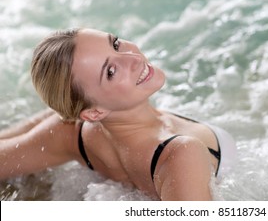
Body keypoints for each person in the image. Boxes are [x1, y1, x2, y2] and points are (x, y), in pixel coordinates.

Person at [0, 28, 237, 201]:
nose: (133, 58)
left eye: (115, 44)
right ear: (95, 112)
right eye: (111, 71)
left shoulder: (72, 131)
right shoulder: (179, 155)